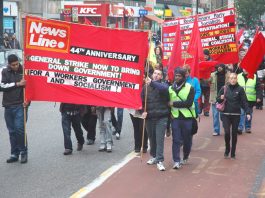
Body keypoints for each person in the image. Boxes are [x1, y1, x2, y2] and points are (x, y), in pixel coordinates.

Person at [1, 54, 28, 163]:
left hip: (20, 105)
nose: (16, 66)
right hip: (8, 105)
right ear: (9, 64)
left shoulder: (24, 71)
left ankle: (23, 152)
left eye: (17, 64)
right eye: (13, 65)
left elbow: (30, 88)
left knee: (19, 129)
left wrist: (28, 101)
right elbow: (1, 86)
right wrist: (17, 84)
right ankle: (14, 153)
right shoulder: (4, 71)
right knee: (12, 131)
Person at [217, 73, 250, 159]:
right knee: (227, 132)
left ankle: (233, 152)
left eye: (234, 78)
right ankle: (227, 148)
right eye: (231, 78)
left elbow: (244, 102)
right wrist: (221, 98)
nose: (233, 80)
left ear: (236, 79)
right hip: (225, 114)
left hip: (236, 115)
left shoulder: (240, 89)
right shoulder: (224, 88)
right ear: (228, 79)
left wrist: (248, 112)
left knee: (234, 134)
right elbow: (218, 100)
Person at [168, 68, 195, 169]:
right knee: (176, 140)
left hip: (187, 118)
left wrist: (173, 104)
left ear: (184, 77)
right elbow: (167, 102)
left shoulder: (190, 88)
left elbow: (188, 103)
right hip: (175, 117)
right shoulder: (170, 88)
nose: (177, 77)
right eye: (176, 76)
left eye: (179, 76)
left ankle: (186, 155)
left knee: (187, 140)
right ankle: (176, 160)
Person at [143, 69, 169, 171]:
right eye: (155, 73)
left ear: (161, 77)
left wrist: (152, 83)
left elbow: (163, 89)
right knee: (152, 138)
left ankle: (159, 160)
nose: (156, 75)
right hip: (149, 117)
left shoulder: (164, 86)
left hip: (161, 117)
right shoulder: (145, 87)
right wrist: (142, 112)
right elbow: (141, 101)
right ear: (152, 74)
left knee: (159, 139)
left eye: (159, 74)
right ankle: (153, 156)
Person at [237, 69, 262, 134]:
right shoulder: (238, 76)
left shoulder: (254, 76)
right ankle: (240, 127)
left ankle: (248, 127)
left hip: (250, 99)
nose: (245, 69)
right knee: (241, 113)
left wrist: (259, 97)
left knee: (249, 113)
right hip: (240, 99)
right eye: (244, 68)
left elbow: (258, 88)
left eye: (247, 68)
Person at [209, 64, 229, 136]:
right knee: (215, 115)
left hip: (225, 98)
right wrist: (204, 77)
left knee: (224, 116)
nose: (219, 68)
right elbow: (207, 81)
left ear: (224, 67)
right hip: (215, 98)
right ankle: (216, 130)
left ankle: (226, 129)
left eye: (221, 66)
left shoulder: (228, 75)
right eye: (218, 67)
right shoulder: (212, 75)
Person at [200, 49, 212, 116]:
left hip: (208, 83)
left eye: (206, 55)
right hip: (200, 82)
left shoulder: (211, 62)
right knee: (199, 97)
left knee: (207, 98)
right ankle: (200, 107)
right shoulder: (199, 61)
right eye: (204, 55)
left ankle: (206, 111)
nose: (205, 57)